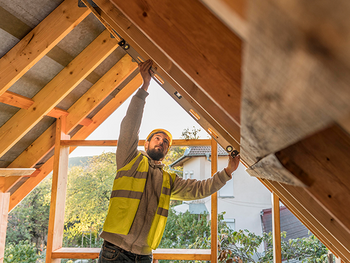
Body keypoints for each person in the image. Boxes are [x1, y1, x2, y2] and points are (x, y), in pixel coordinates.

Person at [98, 59, 240, 263]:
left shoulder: (168, 180)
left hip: (145, 255)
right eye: (157, 138)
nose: (161, 142)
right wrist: (144, 88)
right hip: (115, 251)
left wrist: (227, 172)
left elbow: (200, 189)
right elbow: (129, 126)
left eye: (165, 142)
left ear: (166, 151)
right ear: (146, 143)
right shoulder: (129, 160)